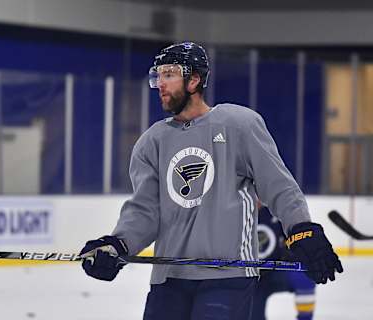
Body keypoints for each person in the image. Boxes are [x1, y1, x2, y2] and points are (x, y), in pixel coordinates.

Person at [79, 42, 343, 320]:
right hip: (169, 277)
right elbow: (145, 211)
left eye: (169, 74)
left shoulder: (239, 124)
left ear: (194, 79)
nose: (160, 84)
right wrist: (117, 245)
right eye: (158, 75)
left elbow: (278, 186)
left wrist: (301, 228)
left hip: (228, 276)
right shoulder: (152, 142)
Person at [252, 203, 316, 320]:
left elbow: (295, 241)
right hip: (248, 281)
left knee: (303, 277)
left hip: (274, 273)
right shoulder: (236, 216)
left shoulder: (275, 214)